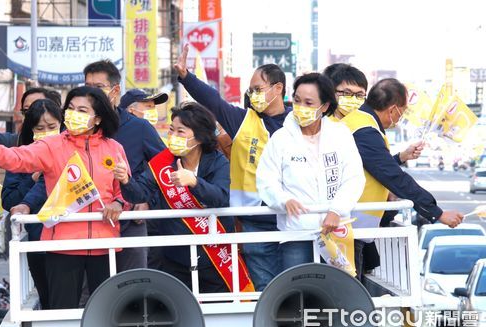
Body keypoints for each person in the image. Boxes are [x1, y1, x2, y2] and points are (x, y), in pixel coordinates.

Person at [0, 86, 129, 309]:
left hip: (105, 244)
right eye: (71, 109)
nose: (74, 114)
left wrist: (118, 202)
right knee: (60, 314)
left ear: (98, 118)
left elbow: (125, 191)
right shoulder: (53, 145)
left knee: (106, 314)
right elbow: (18, 157)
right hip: (62, 245)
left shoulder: (114, 148)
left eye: (82, 110)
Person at [174, 44, 289, 291]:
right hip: (256, 219)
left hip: (294, 217)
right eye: (251, 91)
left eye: (258, 89)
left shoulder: (299, 123)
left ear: (278, 88)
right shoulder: (242, 120)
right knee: (266, 288)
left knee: (297, 284)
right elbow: (213, 101)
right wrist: (186, 77)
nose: (253, 94)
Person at [340, 78, 464, 277]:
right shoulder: (365, 130)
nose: (401, 117)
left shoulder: (359, 121)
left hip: (354, 226)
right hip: (349, 227)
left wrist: (400, 157)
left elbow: (372, 167)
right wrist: (437, 213)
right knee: (349, 299)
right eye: (403, 112)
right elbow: (393, 176)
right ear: (392, 110)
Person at [114, 102, 238, 292]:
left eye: (181, 132)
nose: (173, 136)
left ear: (199, 136)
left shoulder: (217, 161)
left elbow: (221, 197)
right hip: (174, 254)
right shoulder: (163, 162)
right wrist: (125, 180)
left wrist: (194, 182)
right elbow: (140, 193)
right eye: (171, 130)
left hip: (212, 254)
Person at [256, 73, 365, 270]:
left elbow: (354, 177)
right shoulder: (280, 139)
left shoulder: (340, 135)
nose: (301, 108)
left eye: (309, 102)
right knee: (299, 291)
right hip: (297, 233)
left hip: (336, 230)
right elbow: (266, 180)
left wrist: (336, 210)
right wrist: (283, 200)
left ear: (324, 106)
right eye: (297, 101)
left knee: (337, 292)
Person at [83, 60, 166, 272]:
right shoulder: (76, 129)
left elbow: (164, 165)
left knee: (134, 287)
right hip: (86, 221)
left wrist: (146, 198)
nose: (91, 94)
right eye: (87, 87)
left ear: (115, 90)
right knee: (90, 295)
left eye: (98, 87)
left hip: (129, 221)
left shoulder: (139, 127)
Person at [0, 98, 63, 310]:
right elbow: (8, 201)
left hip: (69, 242)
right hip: (38, 241)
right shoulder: (20, 156)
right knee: (47, 302)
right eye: (40, 128)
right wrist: (32, 178)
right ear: (32, 130)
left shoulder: (72, 153)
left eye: (52, 127)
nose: (46, 132)